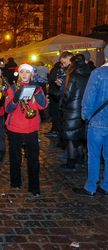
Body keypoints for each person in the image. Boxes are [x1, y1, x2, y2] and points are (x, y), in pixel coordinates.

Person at [5, 63, 48, 196]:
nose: (24, 74)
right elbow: (7, 109)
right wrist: (15, 99)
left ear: (31, 74)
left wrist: (38, 93)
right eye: (22, 72)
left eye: (27, 72)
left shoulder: (37, 88)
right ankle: (15, 182)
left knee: (33, 159)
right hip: (15, 128)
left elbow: (43, 105)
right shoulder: (12, 88)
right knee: (15, 158)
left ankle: (34, 187)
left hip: (31, 128)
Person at [72, 45, 108, 196]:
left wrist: (85, 115)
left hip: (97, 122)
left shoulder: (98, 73)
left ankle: (90, 186)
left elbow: (89, 97)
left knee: (93, 155)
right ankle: (106, 185)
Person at [59, 54, 90, 169]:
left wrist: (62, 106)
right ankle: (81, 159)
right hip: (84, 108)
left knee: (71, 136)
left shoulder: (73, 75)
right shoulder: (89, 74)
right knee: (80, 136)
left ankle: (71, 162)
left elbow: (67, 93)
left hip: (72, 109)